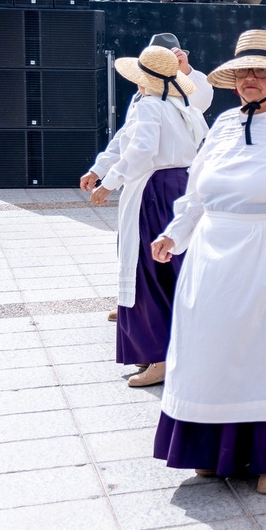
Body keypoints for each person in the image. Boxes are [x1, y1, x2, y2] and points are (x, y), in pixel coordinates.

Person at [151, 30, 266, 496]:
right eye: (243, 72)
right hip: (215, 252)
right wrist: (174, 234)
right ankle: (216, 449)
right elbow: (198, 191)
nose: (250, 79)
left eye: (261, 71)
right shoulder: (222, 125)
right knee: (212, 349)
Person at [81, 41, 208, 386]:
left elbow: (140, 149)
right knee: (172, 272)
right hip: (179, 186)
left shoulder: (149, 105)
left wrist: (109, 182)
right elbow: (126, 141)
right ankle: (181, 351)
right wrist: (102, 168)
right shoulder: (178, 104)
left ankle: (158, 356)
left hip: (154, 190)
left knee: (149, 272)